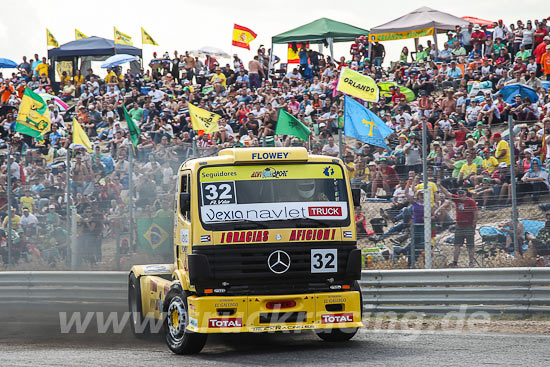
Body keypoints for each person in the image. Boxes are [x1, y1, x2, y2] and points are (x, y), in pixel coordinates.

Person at [438, 182, 478, 268]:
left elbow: (475, 213)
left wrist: (474, 223)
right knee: (457, 245)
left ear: (465, 193)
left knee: (470, 245)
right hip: (459, 225)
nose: (460, 194)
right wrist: (440, 185)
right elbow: (447, 193)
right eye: (459, 193)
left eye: (462, 193)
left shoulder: (470, 201)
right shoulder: (457, 199)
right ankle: (455, 262)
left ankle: (471, 262)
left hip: (469, 225)